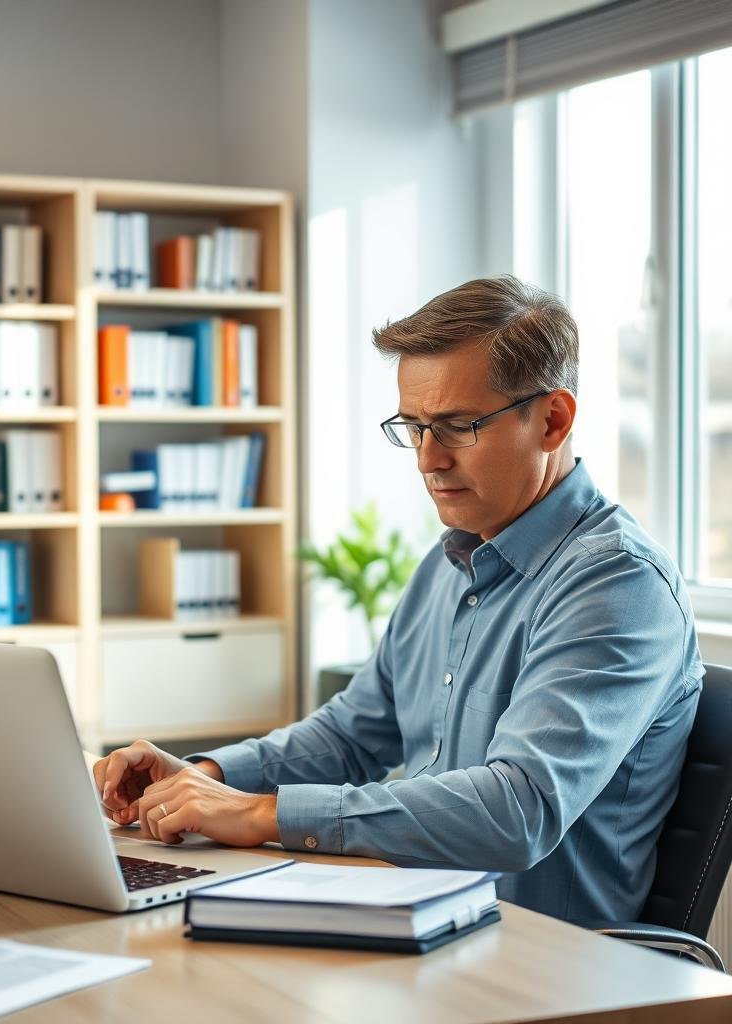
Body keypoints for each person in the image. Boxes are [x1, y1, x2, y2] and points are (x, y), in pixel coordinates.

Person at [94, 275, 703, 923]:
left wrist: (261, 813)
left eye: (457, 426)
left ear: (551, 421)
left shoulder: (616, 583)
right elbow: (352, 734)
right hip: (407, 914)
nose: (426, 460)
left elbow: (518, 811)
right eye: (412, 428)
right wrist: (210, 775)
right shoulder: (450, 563)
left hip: (537, 960)